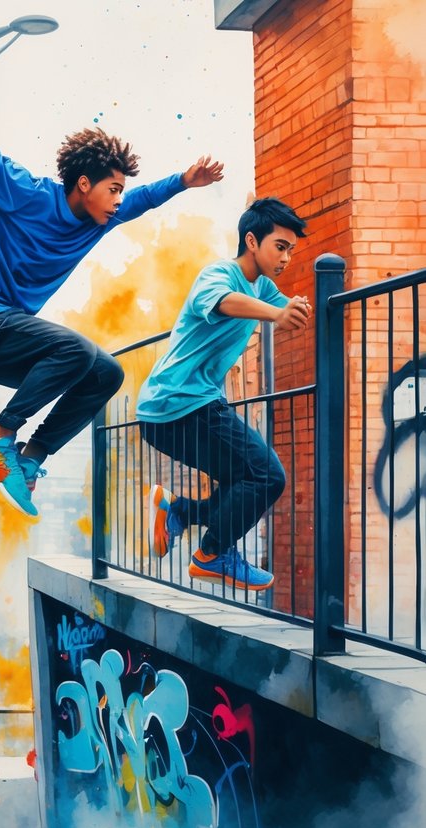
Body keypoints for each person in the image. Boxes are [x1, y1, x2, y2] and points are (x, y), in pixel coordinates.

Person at [0, 121, 224, 516]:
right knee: (76, 351)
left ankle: (29, 459)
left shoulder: (104, 216)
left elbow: (145, 198)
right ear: (84, 184)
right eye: (113, 190)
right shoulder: (24, 192)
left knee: (106, 374)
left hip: (10, 343)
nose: (119, 201)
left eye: (120, 193)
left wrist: (184, 180)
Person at [139, 198, 310, 592]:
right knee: (268, 476)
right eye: (279, 247)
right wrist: (277, 314)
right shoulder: (219, 274)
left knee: (244, 481)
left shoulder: (262, 286)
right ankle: (212, 554)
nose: (285, 258)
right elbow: (221, 302)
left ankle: (177, 510)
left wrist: (296, 307)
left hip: (176, 408)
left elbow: (282, 306)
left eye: (290, 251)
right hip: (181, 403)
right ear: (252, 240)